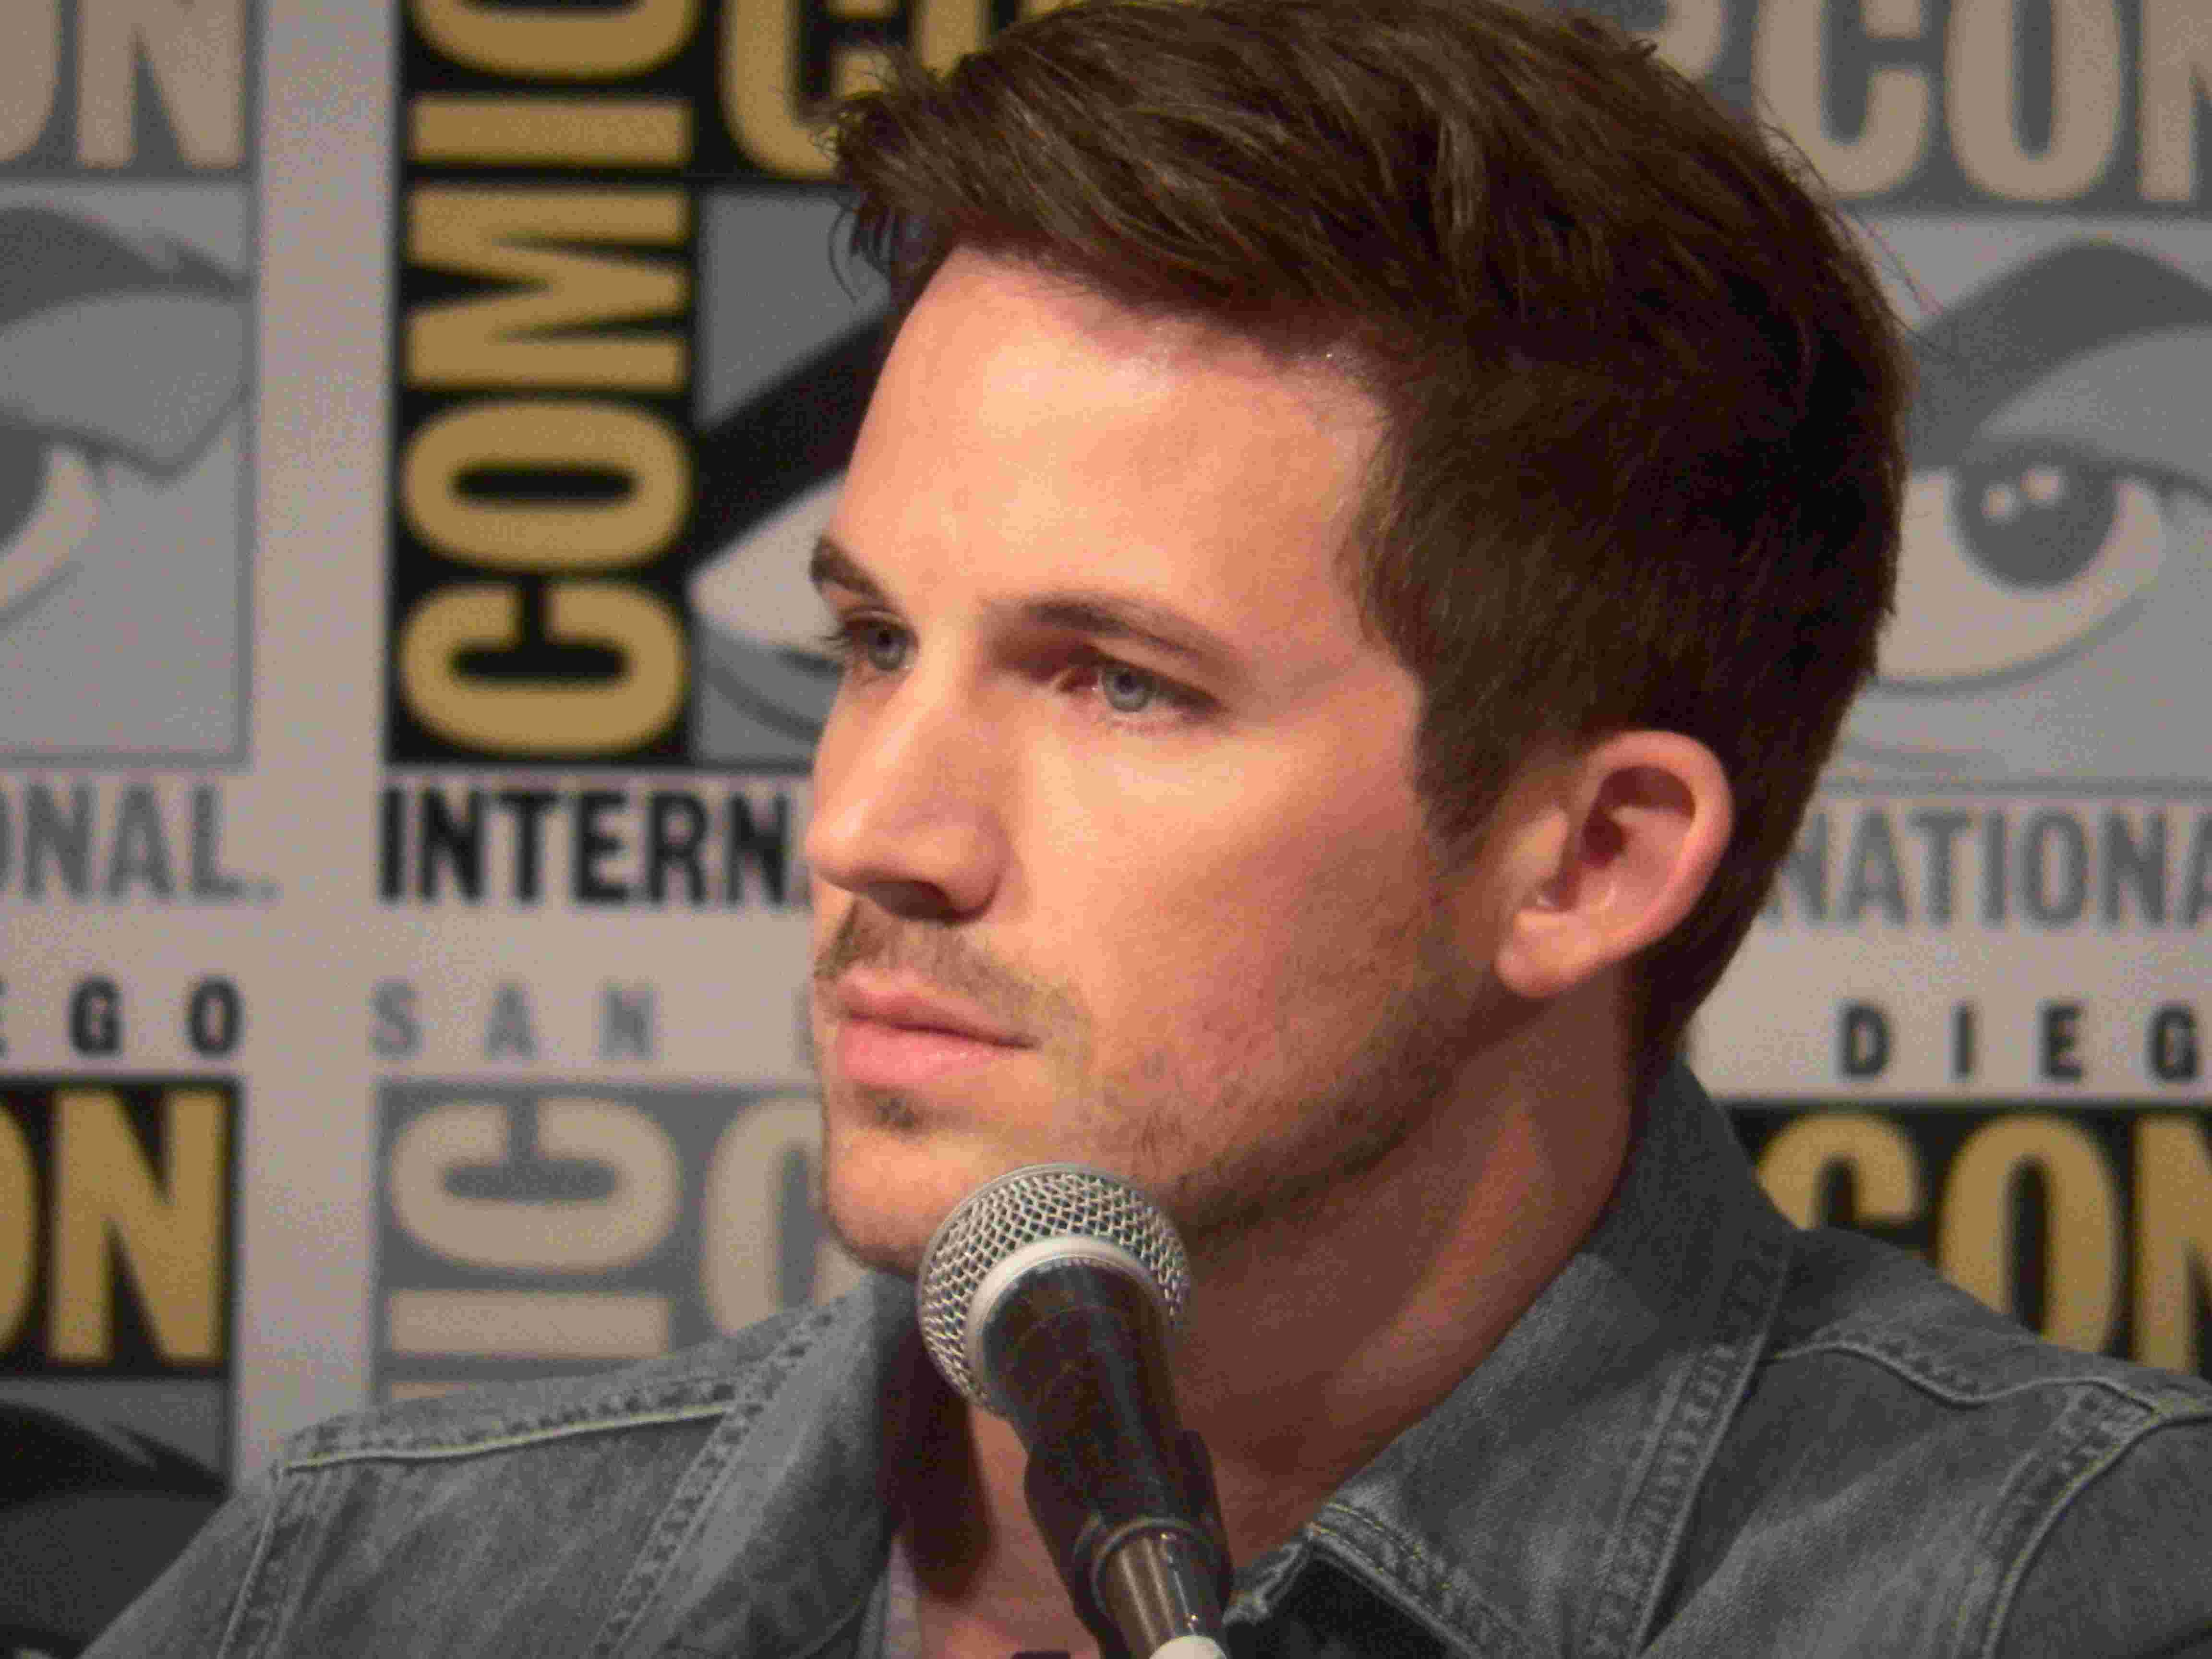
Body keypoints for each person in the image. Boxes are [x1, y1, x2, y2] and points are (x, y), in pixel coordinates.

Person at [90, 2, 2212, 1655]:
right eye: (871, 642)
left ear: (1593, 860)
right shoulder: (363, 1589)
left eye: (1117, 683)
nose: (872, 828)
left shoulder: (2073, 1593)